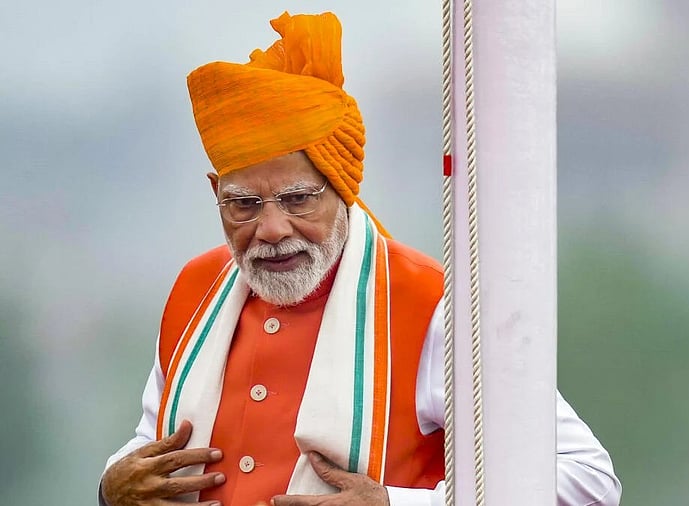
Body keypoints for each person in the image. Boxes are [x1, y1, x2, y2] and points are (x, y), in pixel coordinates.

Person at [99, 10, 621, 506]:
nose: (273, 229)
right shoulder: (197, 288)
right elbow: (153, 442)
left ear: (341, 188)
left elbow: (588, 479)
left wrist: (396, 504)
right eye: (244, 205)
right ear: (216, 194)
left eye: (298, 199)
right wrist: (110, 487)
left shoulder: (429, 302)